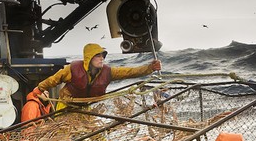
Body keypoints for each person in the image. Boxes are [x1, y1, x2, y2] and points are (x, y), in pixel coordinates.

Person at [29, 43, 161, 108]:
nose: (101, 59)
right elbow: (53, 80)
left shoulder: (108, 72)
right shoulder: (72, 69)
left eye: (102, 56)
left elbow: (130, 72)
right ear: (89, 58)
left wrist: (150, 68)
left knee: (94, 135)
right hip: (66, 105)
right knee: (62, 137)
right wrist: (39, 89)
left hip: (86, 106)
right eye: (97, 56)